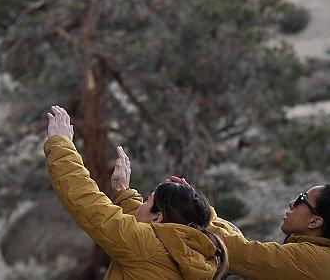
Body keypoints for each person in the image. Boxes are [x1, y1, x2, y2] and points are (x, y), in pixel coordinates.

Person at [44, 105, 228, 279]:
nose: (142, 204)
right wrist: (123, 193)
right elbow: (142, 225)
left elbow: (88, 203)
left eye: (147, 201)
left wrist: (61, 145)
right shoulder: (199, 255)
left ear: (158, 217)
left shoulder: (144, 246)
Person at [207, 183, 330, 278]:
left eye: (301, 199)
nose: (292, 203)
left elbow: (240, 253)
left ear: (314, 222)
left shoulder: (312, 261)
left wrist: (201, 211)